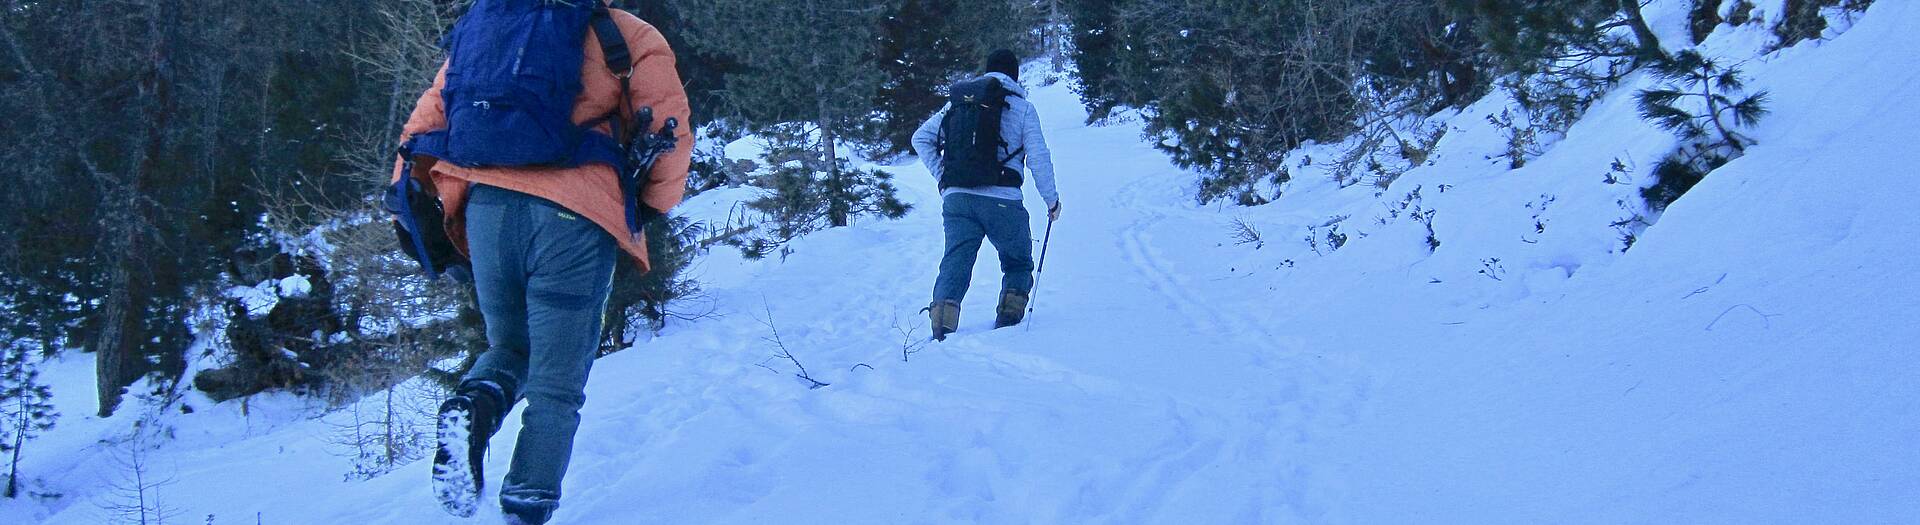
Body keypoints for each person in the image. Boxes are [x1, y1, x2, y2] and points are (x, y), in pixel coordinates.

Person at [388, 1, 690, 523]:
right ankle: (526, 505)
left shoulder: (483, 30)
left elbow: (424, 123)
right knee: (557, 383)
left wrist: (408, 203)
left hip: (487, 211)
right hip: (574, 216)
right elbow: (669, 124)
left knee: (509, 345)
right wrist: (652, 204)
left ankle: (475, 405)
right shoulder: (624, 32)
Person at [912, 49, 1061, 341]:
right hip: (1003, 201)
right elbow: (1038, 158)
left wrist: (944, 178)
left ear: (987, 70)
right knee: (1017, 260)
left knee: (956, 259)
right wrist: (1051, 200)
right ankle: (1008, 323)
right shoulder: (1022, 108)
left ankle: (941, 328)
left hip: (957, 199)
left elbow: (920, 138)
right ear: (1015, 75)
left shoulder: (958, 104)